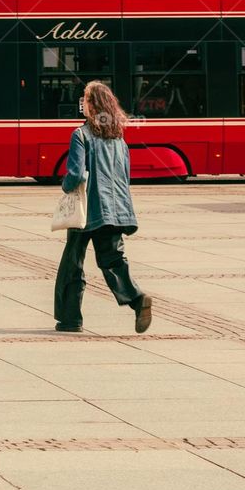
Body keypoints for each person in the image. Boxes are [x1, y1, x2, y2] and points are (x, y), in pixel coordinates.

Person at [54, 81, 152, 334]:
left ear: (92, 105)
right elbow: (125, 174)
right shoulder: (118, 137)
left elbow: (75, 175)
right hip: (116, 208)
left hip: (88, 210)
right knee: (113, 259)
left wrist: (65, 186)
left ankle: (70, 319)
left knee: (72, 263)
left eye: (85, 99)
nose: (82, 104)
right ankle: (137, 298)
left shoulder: (81, 134)